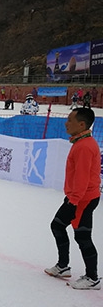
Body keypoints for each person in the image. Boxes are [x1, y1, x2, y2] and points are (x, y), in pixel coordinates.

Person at [44, 107, 100, 290]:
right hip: (80, 197)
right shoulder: (82, 142)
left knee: (81, 235)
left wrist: (73, 201)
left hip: (82, 199)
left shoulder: (84, 146)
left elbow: (82, 177)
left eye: (70, 120)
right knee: (60, 226)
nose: (66, 123)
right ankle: (63, 266)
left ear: (81, 124)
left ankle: (92, 277)